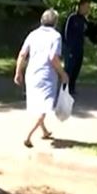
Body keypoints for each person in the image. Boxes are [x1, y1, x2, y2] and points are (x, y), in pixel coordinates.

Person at [14, 9, 70, 148]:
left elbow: (22, 54)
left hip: (31, 74)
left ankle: (44, 131)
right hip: (46, 76)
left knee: (38, 104)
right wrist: (63, 74)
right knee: (44, 108)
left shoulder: (33, 34)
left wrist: (18, 72)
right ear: (55, 22)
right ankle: (27, 136)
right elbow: (53, 58)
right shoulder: (56, 36)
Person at [62, 0, 91, 96]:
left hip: (79, 48)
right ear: (80, 7)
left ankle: (72, 88)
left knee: (76, 69)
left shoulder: (84, 20)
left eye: (88, 7)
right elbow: (66, 33)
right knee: (69, 68)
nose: (87, 9)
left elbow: (88, 32)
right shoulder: (72, 17)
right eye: (86, 7)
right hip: (70, 48)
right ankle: (64, 88)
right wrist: (68, 47)